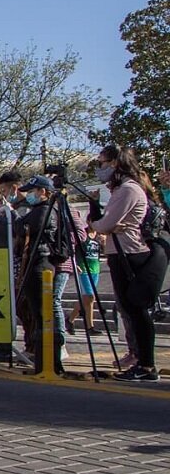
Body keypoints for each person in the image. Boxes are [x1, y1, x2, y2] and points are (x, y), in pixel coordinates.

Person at [89, 146, 167, 382]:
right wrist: (103, 222)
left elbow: (104, 225)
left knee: (136, 310)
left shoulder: (128, 189)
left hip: (130, 253)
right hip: (119, 251)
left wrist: (100, 225)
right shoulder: (121, 190)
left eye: (102, 163)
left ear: (115, 163)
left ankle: (146, 364)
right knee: (129, 310)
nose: (100, 168)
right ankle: (142, 361)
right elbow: (106, 224)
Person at [14, 175, 68, 373]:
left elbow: (22, 228)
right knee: (40, 314)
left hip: (40, 263)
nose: (29, 195)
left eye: (32, 191)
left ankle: (50, 363)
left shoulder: (44, 210)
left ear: (43, 192)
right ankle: (46, 361)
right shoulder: (48, 210)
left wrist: (15, 217)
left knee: (43, 314)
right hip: (39, 262)